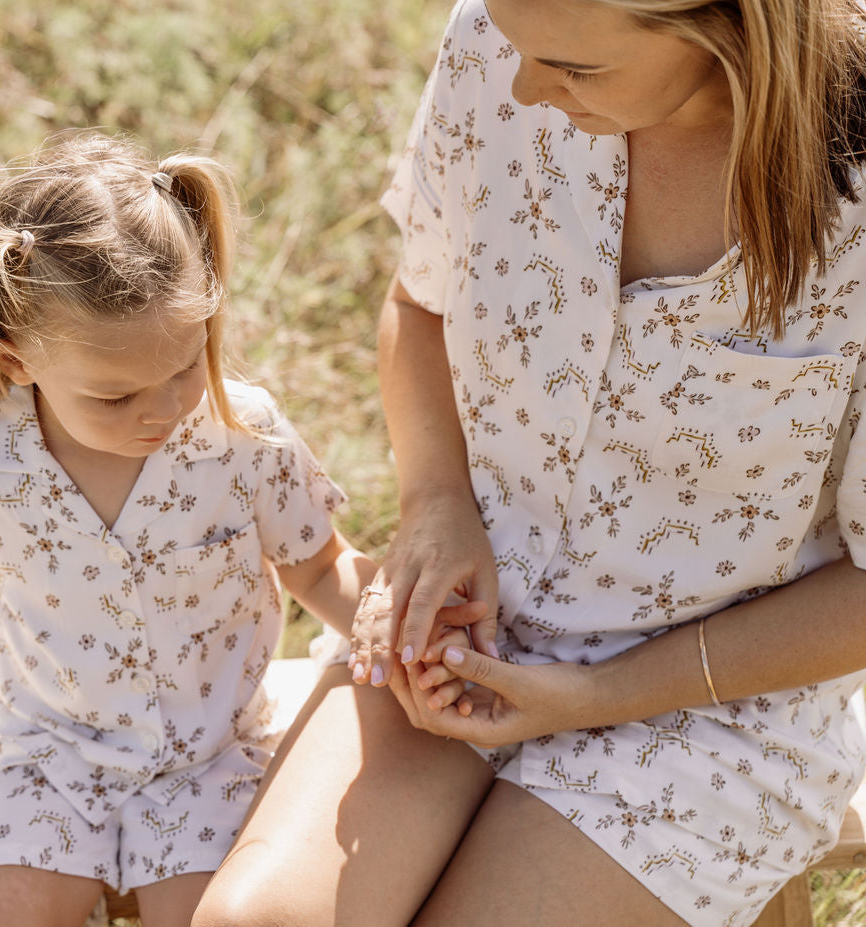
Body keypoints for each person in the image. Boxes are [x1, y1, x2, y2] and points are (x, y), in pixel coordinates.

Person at [192, 1, 866, 925]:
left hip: (712, 702)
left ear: (730, 23)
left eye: (573, 70)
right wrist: (435, 501)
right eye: (512, 47)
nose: (518, 88)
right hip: (468, 630)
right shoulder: (504, 37)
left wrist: (595, 696)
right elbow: (419, 303)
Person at [0, 132, 478, 927]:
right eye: (115, 397)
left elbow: (320, 570)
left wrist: (399, 624)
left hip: (206, 756)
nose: (163, 408)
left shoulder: (242, 437)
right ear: (14, 357)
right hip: (48, 756)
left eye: (186, 363)